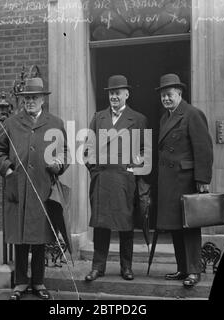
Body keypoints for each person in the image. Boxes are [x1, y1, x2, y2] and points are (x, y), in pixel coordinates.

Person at [0, 76, 69, 300]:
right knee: (20, 237)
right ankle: (21, 283)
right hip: (19, 187)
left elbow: (65, 152)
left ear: (43, 99)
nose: (30, 102)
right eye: (26, 98)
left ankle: (38, 282)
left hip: (43, 188)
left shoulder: (55, 123)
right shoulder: (12, 123)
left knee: (40, 238)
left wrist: (59, 164)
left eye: (34, 97)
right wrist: (8, 171)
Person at [84, 75, 149, 282]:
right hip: (102, 179)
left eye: (118, 93)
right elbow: (88, 148)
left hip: (124, 179)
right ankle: (97, 267)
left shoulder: (138, 119)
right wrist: (94, 169)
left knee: (125, 225)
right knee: (101, 225)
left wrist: (132, 168)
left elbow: (144, 150)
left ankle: (126, 267)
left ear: (126, 94)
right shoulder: (98, 117)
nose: (114, 96)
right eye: (111, 93)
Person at [155, 73, 213, 288]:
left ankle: (194, 271)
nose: (166, 99)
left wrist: (202, 179)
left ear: (179, 94)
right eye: (163, 96)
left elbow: (204, 149)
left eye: (169, 95)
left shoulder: (192, 114)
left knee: (190, 227)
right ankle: (182, 268)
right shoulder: (165, 117)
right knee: (175, 226)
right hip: (170, 181)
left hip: (186, 180)